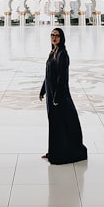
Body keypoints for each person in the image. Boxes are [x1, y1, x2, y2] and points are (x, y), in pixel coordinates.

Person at [39, 27, 87, 165]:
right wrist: (43, 90)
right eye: (52, 35)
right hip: (51, 94)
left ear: (62, 38)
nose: (54, 38)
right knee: (54, 124)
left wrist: (56, 97)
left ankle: (61, 153)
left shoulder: (62, 54)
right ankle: (54, 152)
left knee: (61, 123)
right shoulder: (53, 52)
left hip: (58, 96)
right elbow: (48, 73)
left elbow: (62, 78)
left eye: (57, 36)